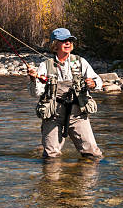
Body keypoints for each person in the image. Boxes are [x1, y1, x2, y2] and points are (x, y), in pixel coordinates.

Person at [27, 28, 103, 159]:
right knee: (51, 157)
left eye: (70, 40)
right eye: (63, 41)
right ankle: (53, 179)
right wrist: (34, 79)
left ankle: (87, 178)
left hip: (78, 115)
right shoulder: (46, 65)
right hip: (53, 116)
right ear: (55, 45)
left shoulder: (80, 62)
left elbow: (98, 81)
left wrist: (93, 84)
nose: (68, 43)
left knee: (93, 155)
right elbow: (36, 92)